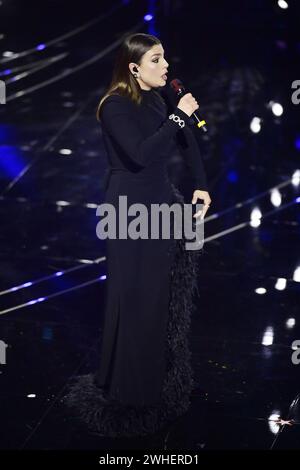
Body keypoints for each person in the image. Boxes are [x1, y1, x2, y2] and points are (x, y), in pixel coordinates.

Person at [64, 33, 211, 438]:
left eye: (164, 59)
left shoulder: (157, 99)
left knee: (156, 295)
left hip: (161, 202)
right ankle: (130, 390)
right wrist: (178, 116)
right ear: (134, 67)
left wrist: (200, 182)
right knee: (132, 296)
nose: (166, 66)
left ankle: (143, 381)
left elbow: (185, 140)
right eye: (157, 60)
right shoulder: (114, 106)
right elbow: (141, 154)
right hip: (129, 210)